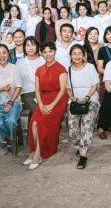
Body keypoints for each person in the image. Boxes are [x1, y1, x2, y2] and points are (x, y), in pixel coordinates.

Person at [24, 41, 68, 169]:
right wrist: (41, 105)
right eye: (45, 52)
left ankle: (38, 154)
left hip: (57, 101)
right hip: (43, 101)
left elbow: (62, 90)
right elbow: (37, 90)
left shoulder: (61, 69)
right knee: (33, 121)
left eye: (50, 51)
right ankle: (32, 151)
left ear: (55, 52)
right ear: (41, 53)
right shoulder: (39, 70)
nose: (48, 54)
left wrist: (51, 106)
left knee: (42, 122)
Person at [66, 45, 101, 169]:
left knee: (86, 126)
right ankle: (80, 146)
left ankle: (83, 155)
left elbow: (95, 85)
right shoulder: (69, 69)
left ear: (84, 55)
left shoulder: (90, 67)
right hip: (75, 100)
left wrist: (87, 97)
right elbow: (67, 88)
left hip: (90, 99)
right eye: (74, 54)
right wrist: (71, 97)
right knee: (72, 129)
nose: (77, 56)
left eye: (79, 53)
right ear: (70, 56)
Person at [17, 37, 44, 112]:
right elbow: (17, 83)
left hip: (43, 93)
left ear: (37, 46)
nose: (30, 48)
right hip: (27, 94)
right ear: (24, 47)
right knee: (37, 111)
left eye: (33, 45)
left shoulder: (43, 61)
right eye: (28, 45)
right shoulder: (19, 63)